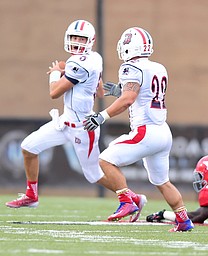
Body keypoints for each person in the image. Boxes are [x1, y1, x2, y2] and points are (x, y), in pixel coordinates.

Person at [83, 27, 194, 232]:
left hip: (146, 131)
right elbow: (141, 94)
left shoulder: (130, 67)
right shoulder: (159, 67)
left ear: (128, 46)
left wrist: (101, 116)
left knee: (104, 160)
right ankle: (184, 220)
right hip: (163, 131)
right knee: (162, 182)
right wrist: (122, 90)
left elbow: (128, 99)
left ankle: (127, 200)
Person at [5, 20, 113, 209]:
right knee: (28, 147)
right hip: (65, 122)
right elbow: (100, 90)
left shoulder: (78, 62)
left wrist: (55, 73)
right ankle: (32, 195)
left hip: (82, 127)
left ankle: (130, 197)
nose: (77, 42)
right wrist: (68, 72)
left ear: (91, 40)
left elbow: (54, 93)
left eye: (81, 38)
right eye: (74, 38)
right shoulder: (95, 58)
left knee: (93, 175)